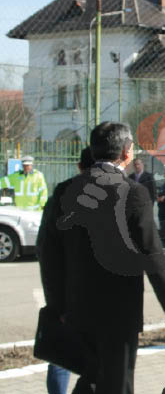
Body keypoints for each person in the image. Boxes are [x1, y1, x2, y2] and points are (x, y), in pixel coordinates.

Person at [38, 121, 165, 393]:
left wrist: (57, 306)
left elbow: (48, 253)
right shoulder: (134, 193)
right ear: (126, 152)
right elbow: (151, 253)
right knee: (117, 383)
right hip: (120, 313)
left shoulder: (64, 191)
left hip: (76, 309)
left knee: (90, 379)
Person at [38, 146, 95, 394]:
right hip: (99, 300)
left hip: (66, 296)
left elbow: (44, 251)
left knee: (61, 357)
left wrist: (56, 303)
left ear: (79, 166)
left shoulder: (59, 197)